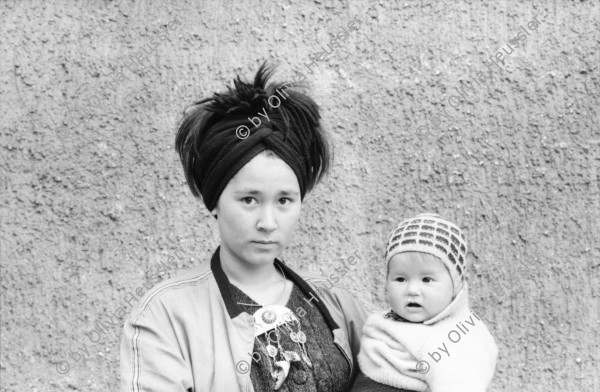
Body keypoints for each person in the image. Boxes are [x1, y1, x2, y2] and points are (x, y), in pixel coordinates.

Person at [120, 62, 368, 392]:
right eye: (249, 200)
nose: (267, 223)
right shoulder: (165, 317)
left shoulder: (336, 303)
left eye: (284, 201)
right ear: (215, 201)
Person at [352, 213, 498, 392]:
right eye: (400, 279)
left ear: (455, 285)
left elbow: (460, 384)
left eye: (427, 279)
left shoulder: (456, 337)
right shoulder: (381, 322)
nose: (412, 290)